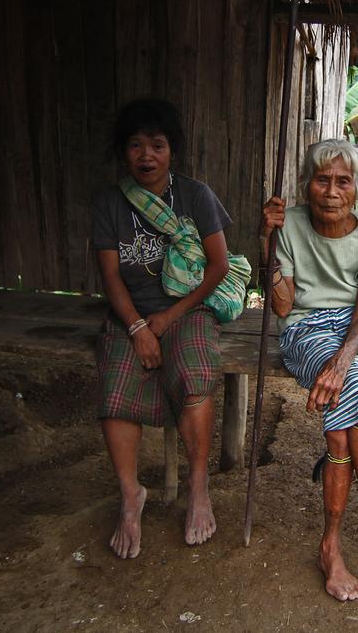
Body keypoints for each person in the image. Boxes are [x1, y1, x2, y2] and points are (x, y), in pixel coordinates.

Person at [259, 139, 358, 601]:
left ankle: (333, 544)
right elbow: (282, 306)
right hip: (305, 327)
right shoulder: (288, 226)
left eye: (343, 181)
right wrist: (267, 242)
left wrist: (340, 365)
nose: (331, 191)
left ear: (357, 189)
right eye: (322, 180)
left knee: (343, 428)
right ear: (306, 185)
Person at [92, 98, 232, 559]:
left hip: (187, 310)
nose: (146, 156)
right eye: (135, 145)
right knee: (115, 392)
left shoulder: (195, 196)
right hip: (130, 315)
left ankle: (198, 487)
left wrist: (169, 318)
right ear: (123, 152)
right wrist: (136, 327)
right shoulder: (110, 203)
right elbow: (111, 276)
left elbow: (218, 266)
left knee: (195, 376)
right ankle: (131, 495)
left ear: (172, 150)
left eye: (157, 145)